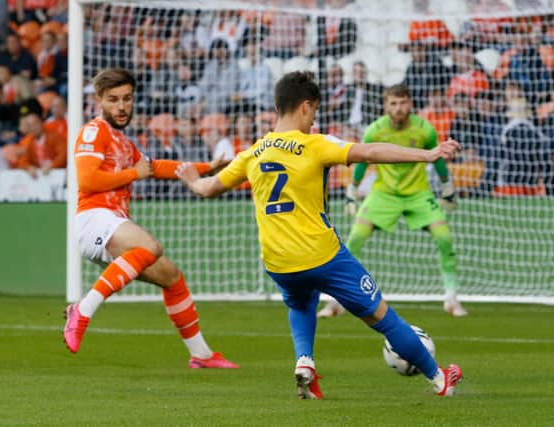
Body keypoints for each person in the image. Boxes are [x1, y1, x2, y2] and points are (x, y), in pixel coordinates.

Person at [175, 71, 462, 399]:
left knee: (301, 303)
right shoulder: (315, 144)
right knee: (383, 317)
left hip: (277, 261)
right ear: (305, 107)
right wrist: (427, 155)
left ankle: (305, 363)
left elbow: (207, 188)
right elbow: (369, 153)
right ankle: (440, 379)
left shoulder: (253, 152)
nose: (313, 121)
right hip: (322, 255)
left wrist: (189, 176)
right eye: (314, 113)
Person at [63, 68, 238, 369]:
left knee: (172, 277)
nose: (121, 106)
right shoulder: (94, 132)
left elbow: (157, 167)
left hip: (112, 224)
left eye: (127, 99)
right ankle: (82, 309)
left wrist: (207, 167)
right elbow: (88, 180)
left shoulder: (122, 141)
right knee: (152, 246)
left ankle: (202, 355)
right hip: (94, 218)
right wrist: (134, 173)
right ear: (100, 101)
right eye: (113, 100)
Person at [318, 84, 468, 319]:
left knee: (444, 238)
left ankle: (451, 297)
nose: (399, 108)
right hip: (384, 194)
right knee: (354, 239)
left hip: (418, 193)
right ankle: (338, 301)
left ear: (410, 103)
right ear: (385, 106)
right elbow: (363, 161)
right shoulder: (374, 131)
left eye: (403, 102)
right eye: (394, 103)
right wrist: (352, 192)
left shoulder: (424, 129)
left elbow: (437, 158)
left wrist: (447, 188)